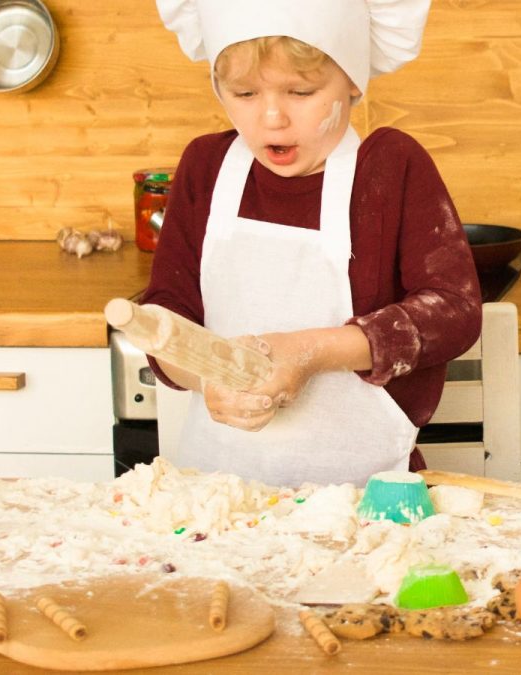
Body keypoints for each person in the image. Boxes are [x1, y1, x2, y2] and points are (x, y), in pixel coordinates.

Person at [142, 0, 481, 487]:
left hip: (367, 503)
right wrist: (207, 376)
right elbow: (166, 315)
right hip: (218, 496)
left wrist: (311, 351)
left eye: (300, 91)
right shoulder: (206, 168)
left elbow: (454, 312)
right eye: (243, 92)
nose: (271, 117)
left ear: (352, 81)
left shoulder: (389, 169)